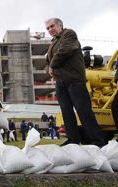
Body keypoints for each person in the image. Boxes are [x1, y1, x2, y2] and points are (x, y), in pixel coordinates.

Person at [45, 18, 106, 147]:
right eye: (48, 28)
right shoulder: (53, 43)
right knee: (66, 112)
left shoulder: (69, 34)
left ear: (60, 25)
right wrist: (51, 70)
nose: (50, 30)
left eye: (52, 26)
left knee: (84, 111)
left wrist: (52, 65)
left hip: (74, 80)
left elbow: (65, 51)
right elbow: (49, 59)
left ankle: (97, 140)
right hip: (61, 82)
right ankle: (73, 140)